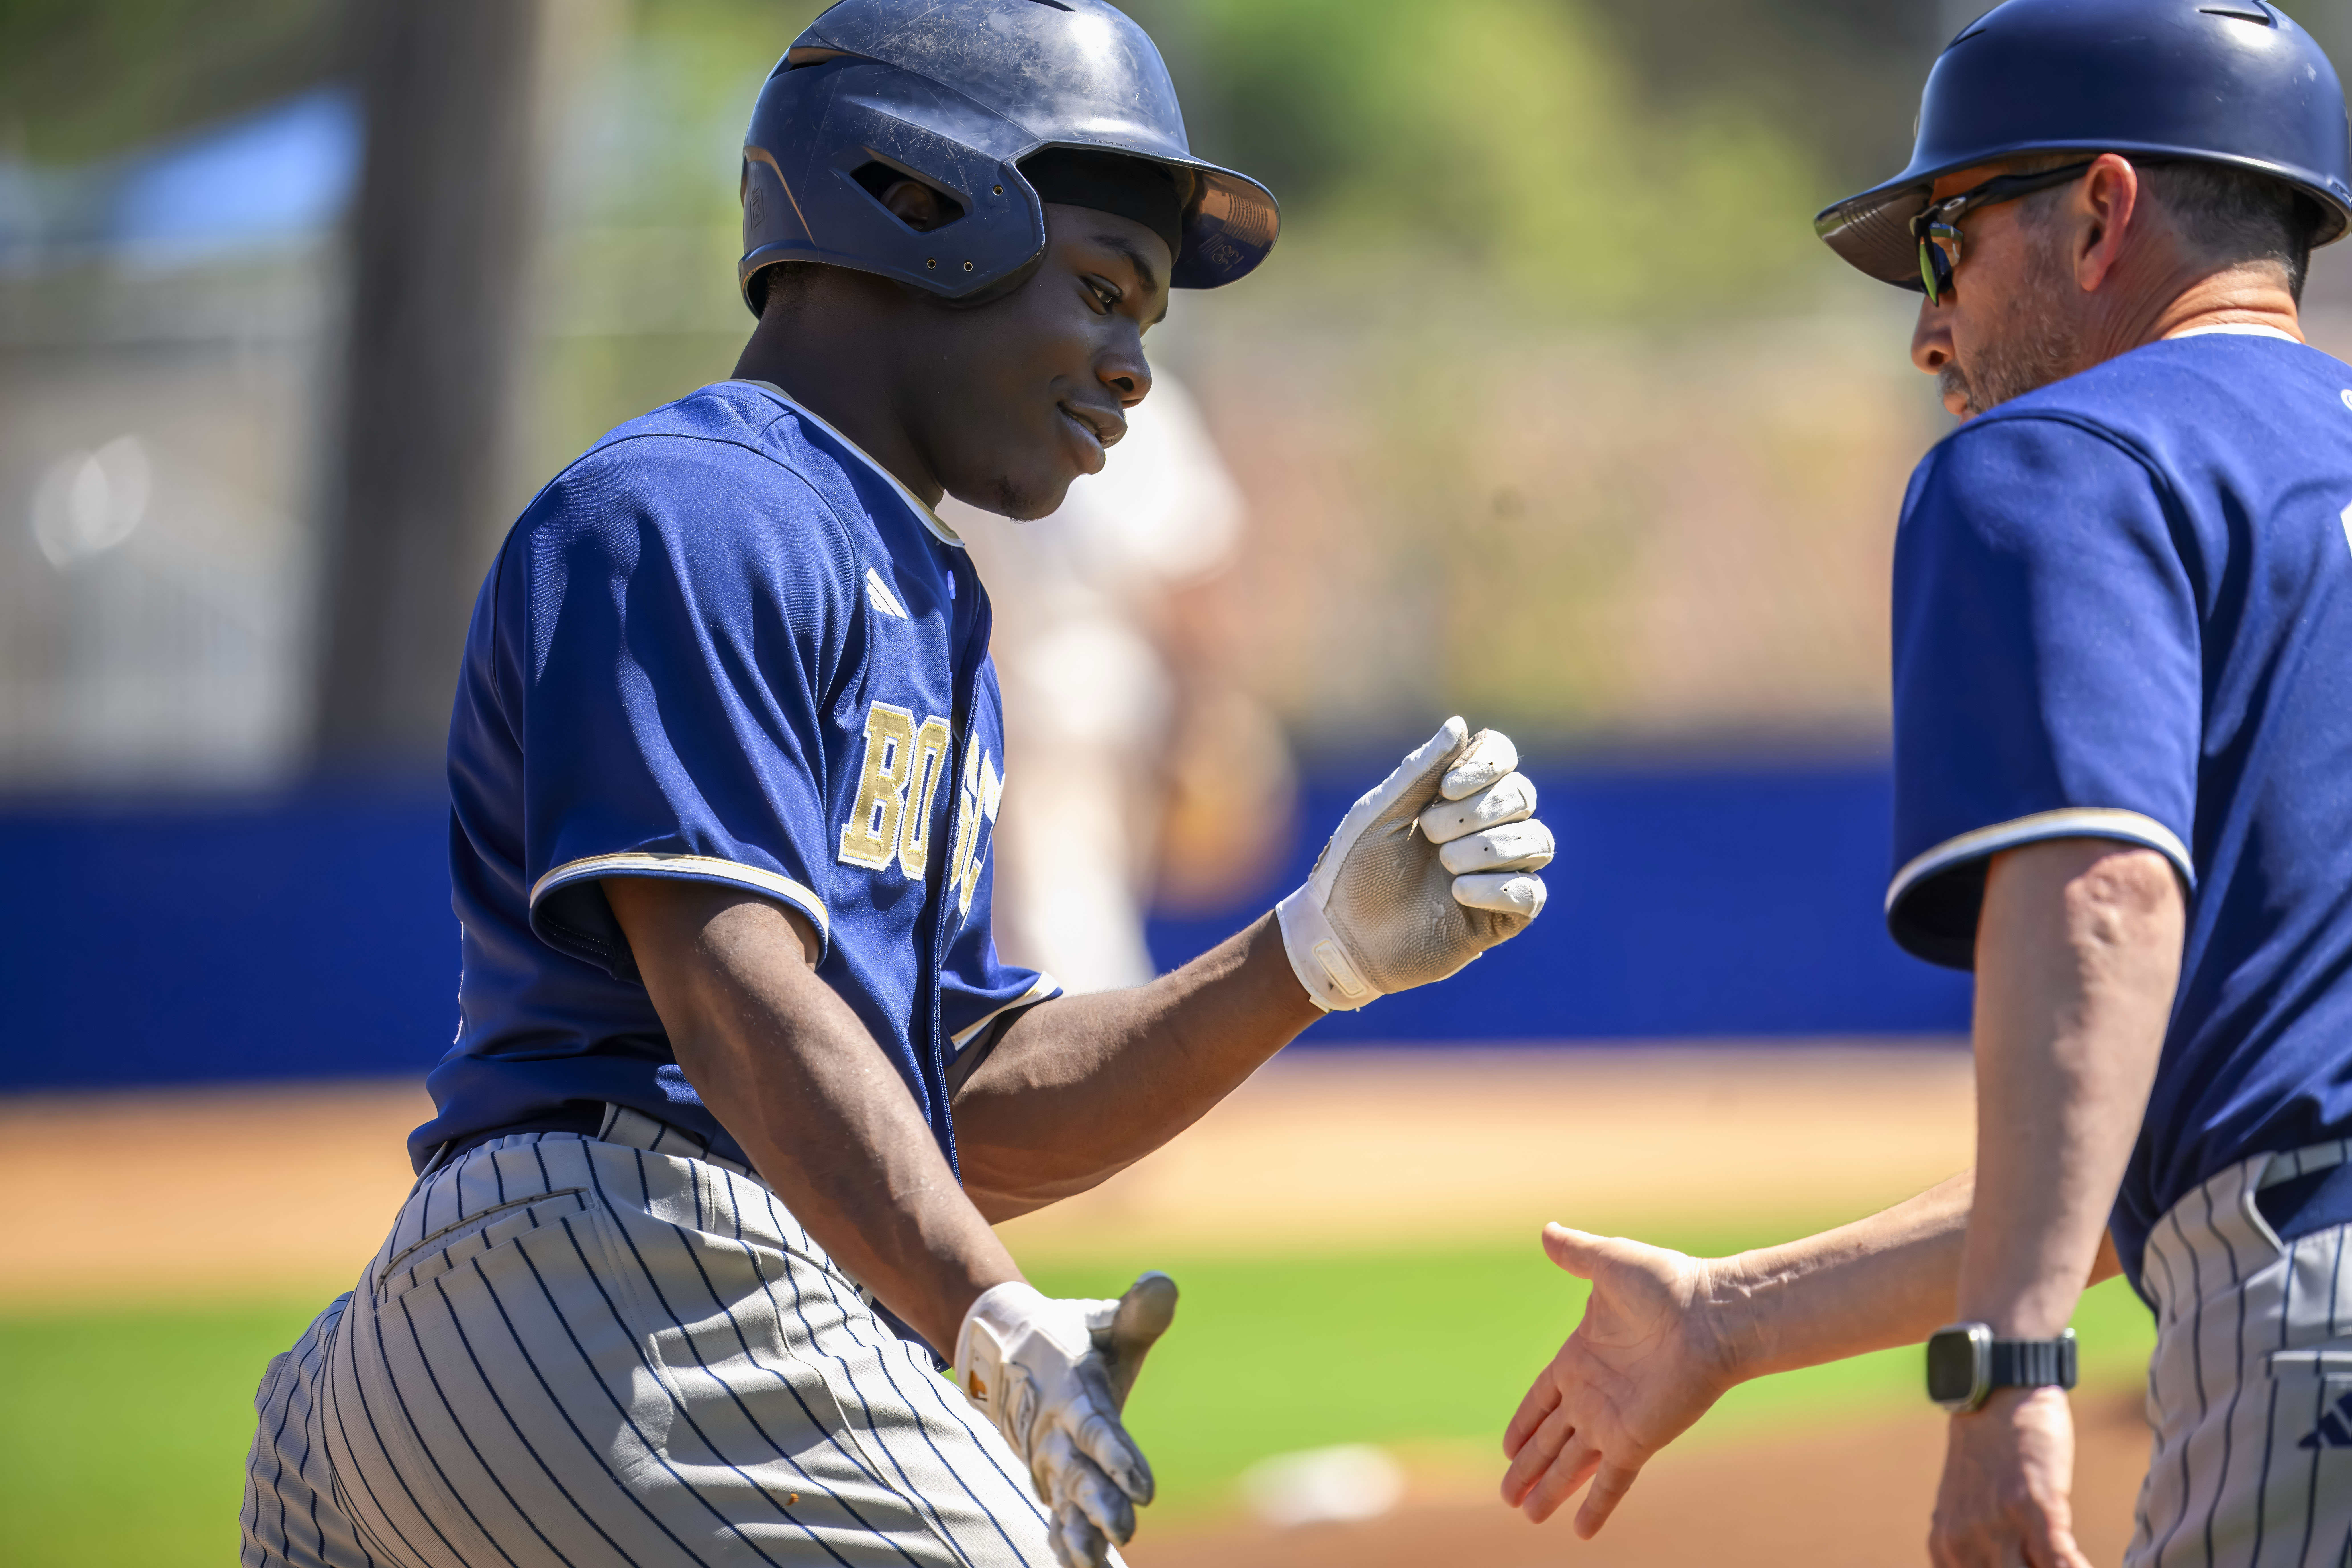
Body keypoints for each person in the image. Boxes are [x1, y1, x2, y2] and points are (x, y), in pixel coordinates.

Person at [239, 4, 1554, 1568]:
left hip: (587, 1323)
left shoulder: (917, 593)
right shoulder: (700, 506)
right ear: (919, 205)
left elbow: (951, 1104)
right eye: (1106, 292)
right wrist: (986, 1313)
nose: (1134, 369)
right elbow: (733, 996)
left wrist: (1304, 959)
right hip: (615, 1292)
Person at [1498, 2, 2352, 1564]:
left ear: (2103, 212)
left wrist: (2011, 1375)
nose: (1927, 326)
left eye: (1947, 241)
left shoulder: (2064, 456)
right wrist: (1728, 1318)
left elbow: (2099, 901)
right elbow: (2165, 1133)